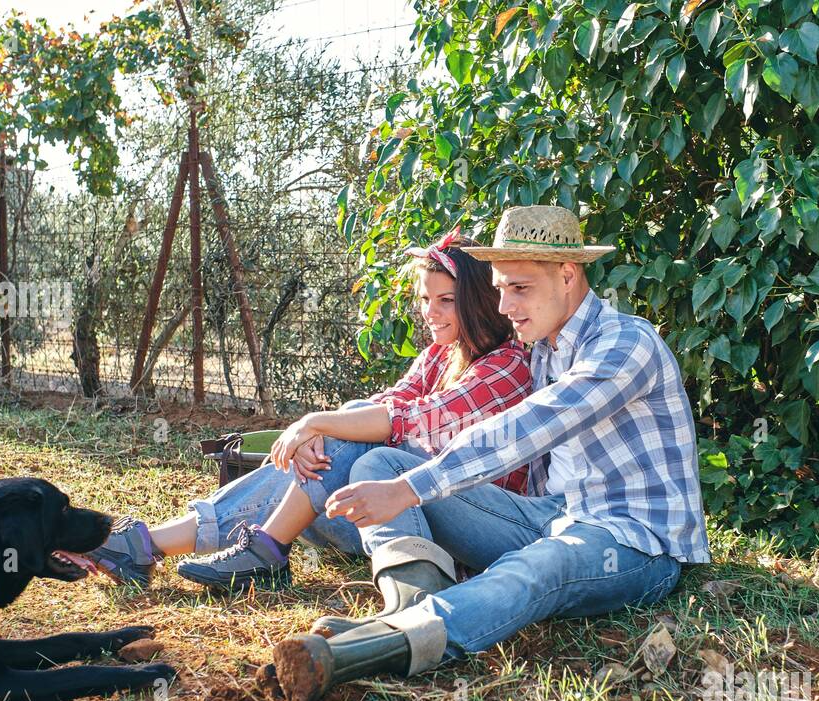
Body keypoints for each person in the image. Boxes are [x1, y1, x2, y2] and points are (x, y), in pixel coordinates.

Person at [269, 205, 710, 701]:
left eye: (518, 288)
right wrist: (385, 467)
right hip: (553, 516)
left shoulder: (627, 344)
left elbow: (525, 428)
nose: (503, 306)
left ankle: (368, 650)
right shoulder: (544, 346)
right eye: (499, 288)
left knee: (537, 566)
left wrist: (410, 492)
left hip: (633, 540)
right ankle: (406, 606)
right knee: (384, 464)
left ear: (568, 275)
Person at [87, 231, 532, 592]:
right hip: (392, 510)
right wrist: (315, 438)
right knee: (345, 431)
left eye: (445, 301)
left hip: (456, 531)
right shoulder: (444, 353)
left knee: (350, 437)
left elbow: (411, 420)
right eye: (424, 299)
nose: (429, 312)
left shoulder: (506, 366)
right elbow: (389, 401)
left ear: (475, 300)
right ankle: (182, 547)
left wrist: (314, 423)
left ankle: (167, 546)